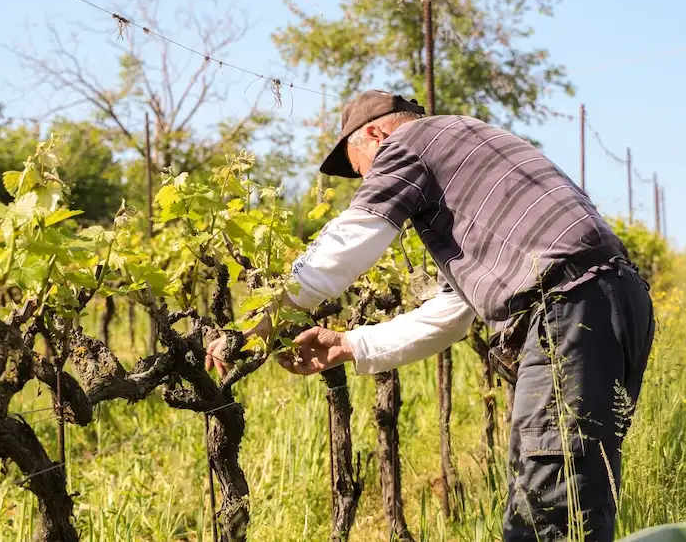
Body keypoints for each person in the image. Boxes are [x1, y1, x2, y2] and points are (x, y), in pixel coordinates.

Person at [205, 90, 655, 542]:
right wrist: (348, 345)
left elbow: (349, 240)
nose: (367, 179)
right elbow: (451, 314)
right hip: (614, 302)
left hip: (567, 308)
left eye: (361, 167)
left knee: (545, 515)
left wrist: (262, 321)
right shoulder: (471, 151)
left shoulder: (409, 143)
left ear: (375, 133)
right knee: (575, 500)